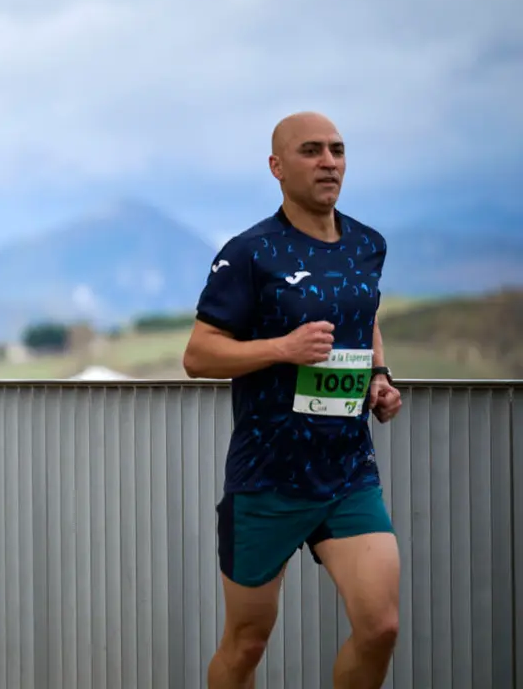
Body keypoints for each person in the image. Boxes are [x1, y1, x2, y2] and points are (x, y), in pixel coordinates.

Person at [183, 111, 403, 689]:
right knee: (246, 643)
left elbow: (365, 316)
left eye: (337, 150)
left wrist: (379, 374)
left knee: (380, 627)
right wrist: (283, 347)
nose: (328, 161)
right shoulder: (250, 253)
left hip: (349, 473)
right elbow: (199, 356)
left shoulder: (367, 244)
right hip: (267, 478)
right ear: (278, 167)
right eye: (311, 151)